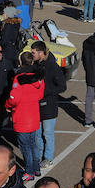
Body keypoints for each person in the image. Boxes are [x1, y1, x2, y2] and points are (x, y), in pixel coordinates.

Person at [7, 51, 45, 182]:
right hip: (34, 117)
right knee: (33, 144)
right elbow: (40, 95)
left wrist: (7, 104)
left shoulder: (19, 78)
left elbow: (14, 98)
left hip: (22, 118)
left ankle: (29, 171)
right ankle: (36, 168)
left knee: (25, 147)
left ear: (21, 62)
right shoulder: (38, 78)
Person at [31, 41, 65, 169]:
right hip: (36, 106)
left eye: (33, 53)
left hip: (49, 106)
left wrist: (45, 92)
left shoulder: (53, 66)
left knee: (48, 133)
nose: (32, 54)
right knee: (37, 134)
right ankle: (38, 156)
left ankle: (48, 158)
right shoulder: (35, 65)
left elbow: (62, 86)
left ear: (41, 53)